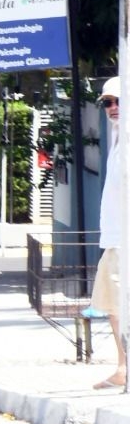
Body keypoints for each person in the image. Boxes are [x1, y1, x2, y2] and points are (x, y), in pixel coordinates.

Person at [92, 76, 127, 389]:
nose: (113, 108)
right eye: (107, 103)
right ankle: (122, 368)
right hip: (115, 238)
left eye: (118, 101)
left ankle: (123, 369)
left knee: (119, 306)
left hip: (124, 240)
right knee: (113, 307)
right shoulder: (117, 137)